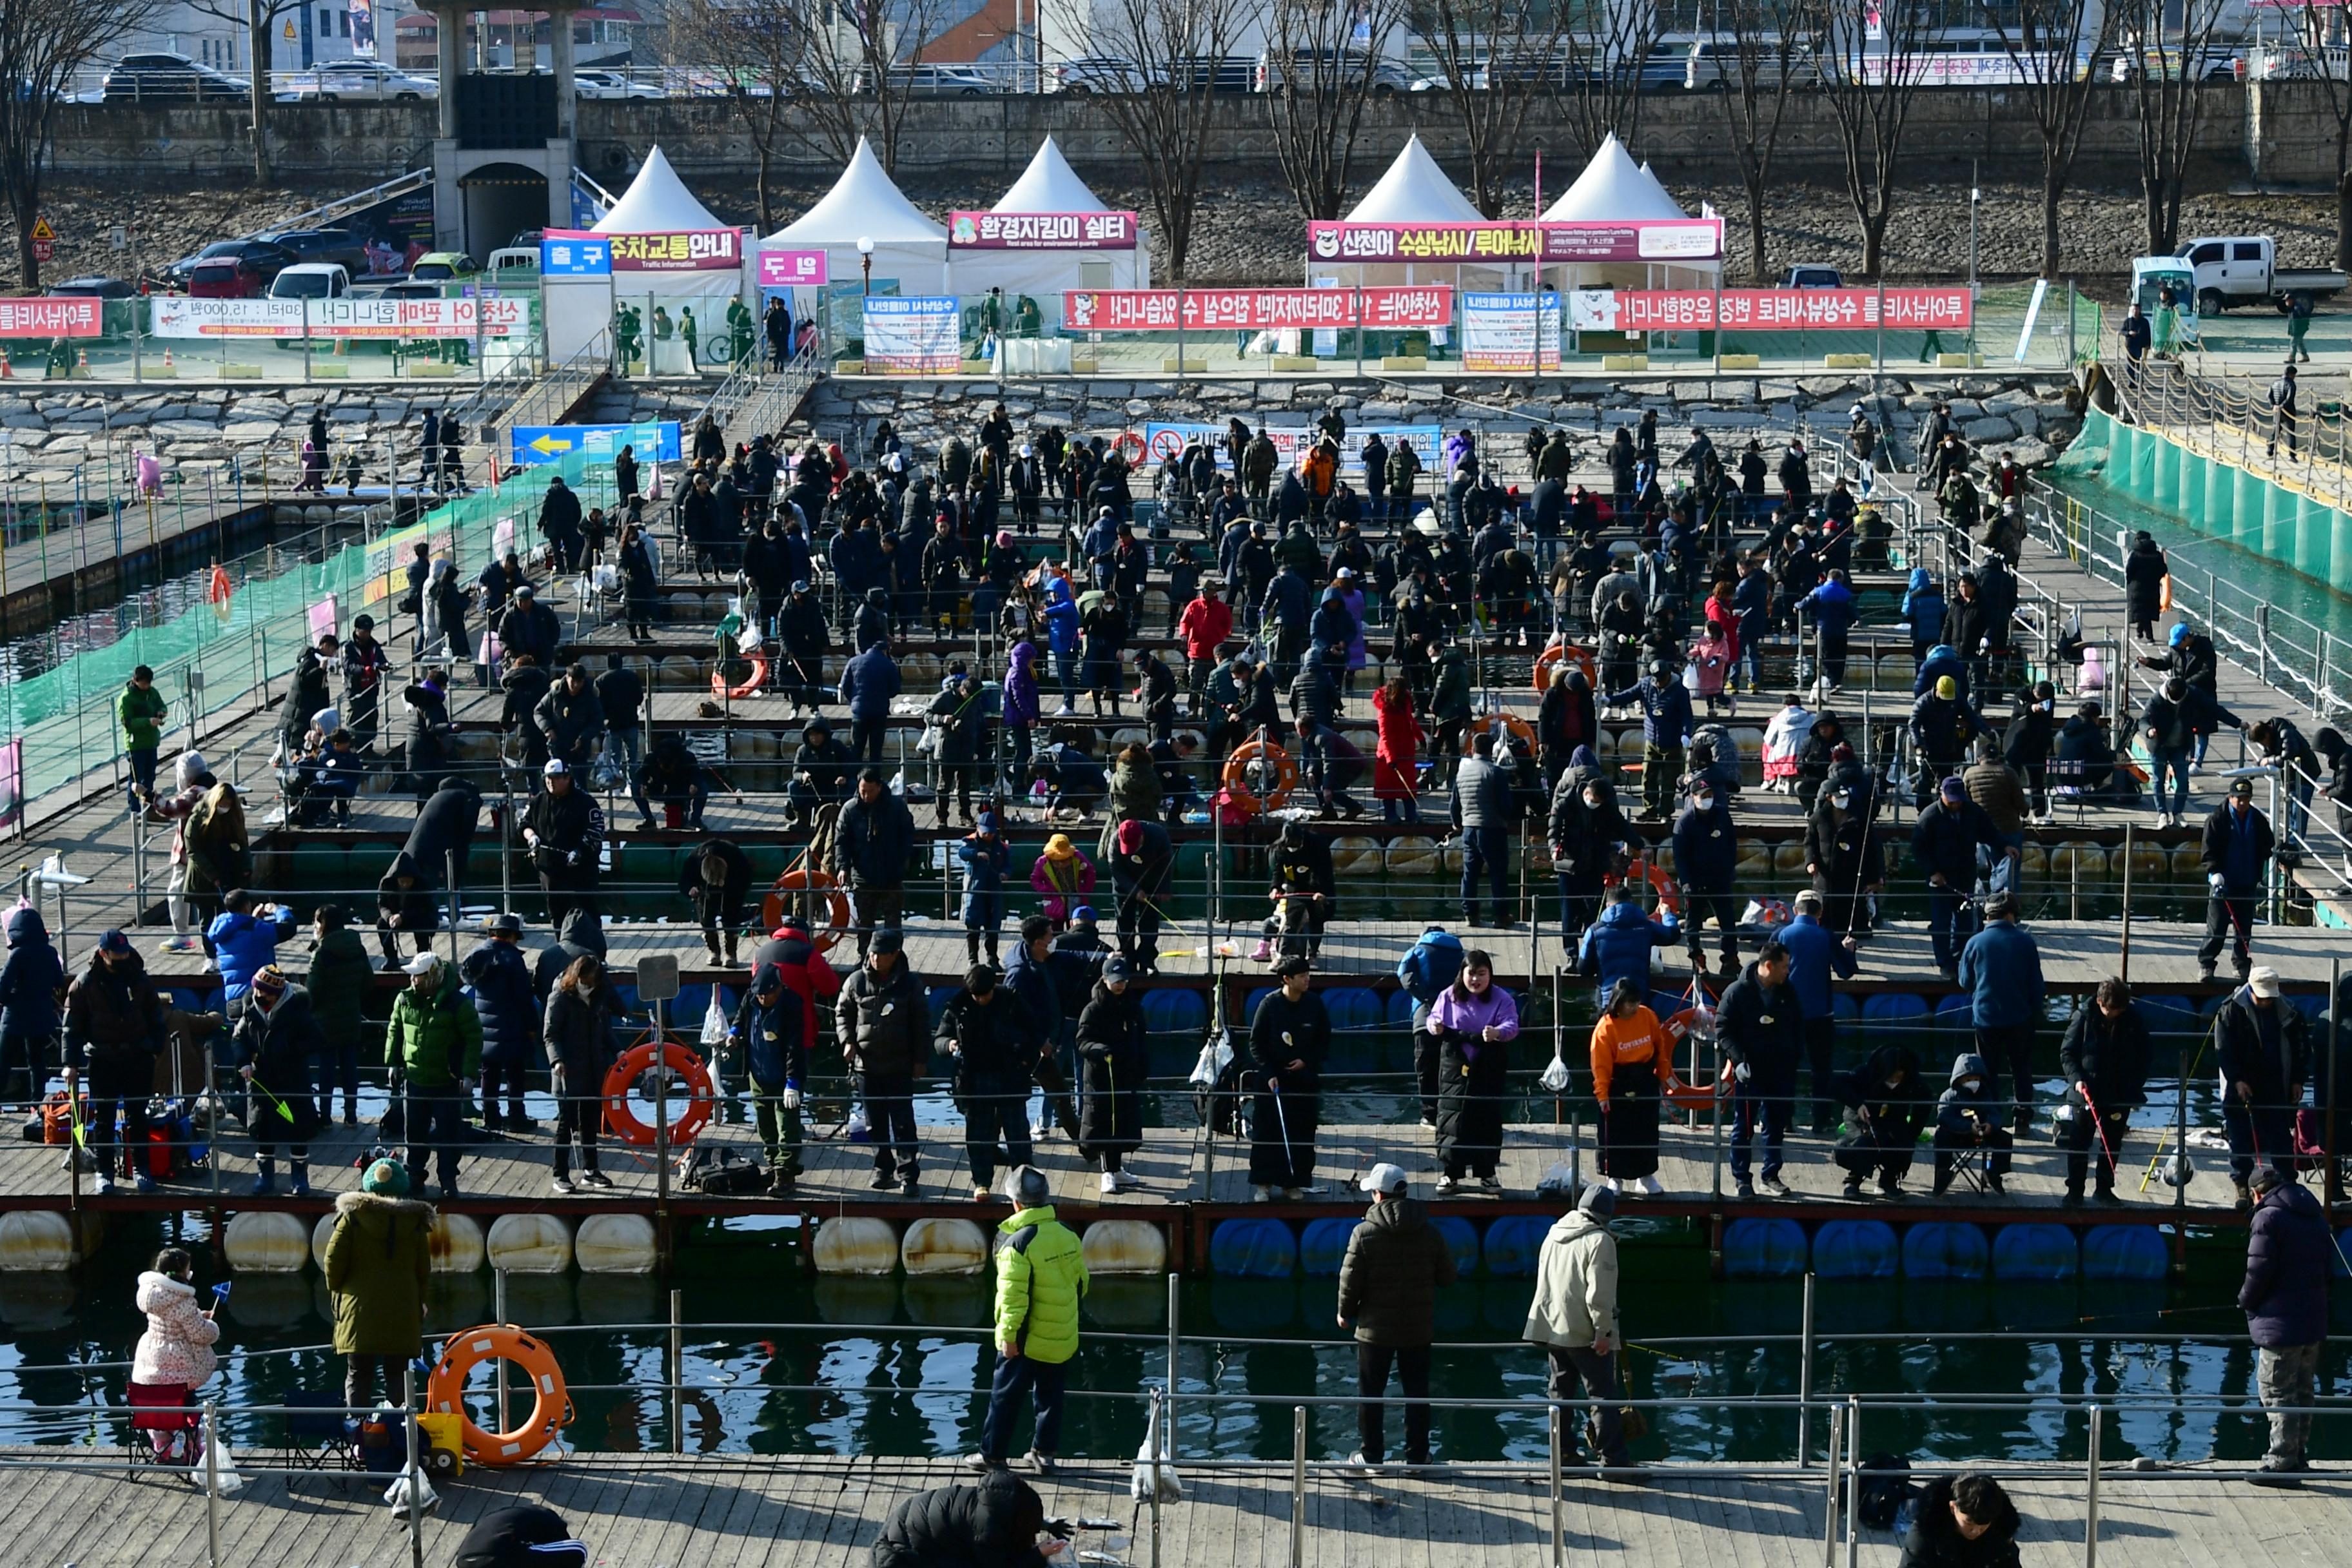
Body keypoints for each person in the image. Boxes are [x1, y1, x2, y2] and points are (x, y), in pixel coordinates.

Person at [1336, 1162, 1455, 1471]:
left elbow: (1350, 1279)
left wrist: (1344, 1314)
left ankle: (1372, 1456)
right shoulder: (1429, 1231)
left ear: (1378, 1195)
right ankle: (1418, 1457)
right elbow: (1448, 1277)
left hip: (1374, 1331)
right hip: (1417, 1329)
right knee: (1417, 1393)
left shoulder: (1363, 1233)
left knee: (1371, 1393)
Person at [971, 1164, 1090, 1473]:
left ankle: (992, 1456)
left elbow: (1012, 1299)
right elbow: (1082, 1283)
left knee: (1004, 1397)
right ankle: (1043, 1454)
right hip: (1061, 1333)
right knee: (1051, 1397)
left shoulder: (1017, 1244)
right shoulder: (1067, 1234)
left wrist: (1008, 1337)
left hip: (1025, 1339)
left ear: (1017, 1204)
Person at [1524, 1184, 1643, 1480]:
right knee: (1602, 1396)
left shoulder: (1555, 1232)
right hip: (1584, 1332)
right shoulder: (1600, 1241)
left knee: (1559, 1394)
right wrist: (1603, 1332)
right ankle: (1613, 1462)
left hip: (1552, 1327)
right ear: (1607, 1215)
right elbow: (1599, 1294)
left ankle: (1563, 1456)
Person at [2240, 1167, 2331, 1485]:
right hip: (2312, 1319)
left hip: (2280, 1323)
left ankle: (2281, 1461)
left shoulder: (2268, 1217)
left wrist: (2245, 1301)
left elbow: (2258, 1270)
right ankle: (2298, 1454)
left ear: (2257, 1193)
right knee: (2303, 1390)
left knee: (2276, 1391)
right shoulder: (2315, 1215)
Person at [325, 1157, 433, 1416]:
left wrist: (340, 1292)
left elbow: (333, 1262)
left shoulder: (352, 1219)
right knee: (397, 1376)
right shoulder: (416, 1223)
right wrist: (420, 1300)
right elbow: (423, 1270)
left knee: (359, 1374)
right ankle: (396, 1435)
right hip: (403, 1310)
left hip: (358, 1309)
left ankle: (360, 1437)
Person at [63, 930, 165, 1195]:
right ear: (103, 954)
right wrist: (70, 1063)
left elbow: (155, 1014)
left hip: (137, 1056)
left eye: (125, 952)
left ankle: (141, 1169)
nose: (122, 957)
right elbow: (71, 1027)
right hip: (102, 1058)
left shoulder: (140, 980)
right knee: (104, 1119)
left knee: (138, 1117)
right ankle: (104, 1172)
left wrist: (156, 1048)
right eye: (117, 953)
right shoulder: (85, 984)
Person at [384, 951, 482, 1202]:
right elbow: (394, 1031)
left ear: (433, 975)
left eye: (419, 975)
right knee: (414, 1134)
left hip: (447, 1082)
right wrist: (393, 1063)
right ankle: (414, 1178)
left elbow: (473, 1038)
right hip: (414, 1081)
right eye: (414, 975)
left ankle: (448, 1180)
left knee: (450, 1136)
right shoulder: (404, 1000)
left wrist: (468, 1075)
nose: (414, 980)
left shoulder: (457, 1004)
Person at [837, 930, 928, 1192]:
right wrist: (847, 1041)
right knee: (874, 1123)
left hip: (900, 1065)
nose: (875, 959)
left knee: (903, 1123)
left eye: (880, 954)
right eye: (872, 954)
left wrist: (920, 1059)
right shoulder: (855, 982)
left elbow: (922, 1024)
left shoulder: (911, 984)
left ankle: (908, 1174)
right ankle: (882, 1168)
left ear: (895, 955)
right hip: (867, 1066)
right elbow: (843, 1014)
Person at [939, 963, 1032, 1202]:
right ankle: (982, 1182)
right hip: (974, 1079)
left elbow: (1033, 1032)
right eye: (976, 996)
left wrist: (1024, 1061)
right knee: (978, 1135)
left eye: (985, 994)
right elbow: (939, 1038)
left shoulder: (1012, 1002)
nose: (980, 999)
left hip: (1010, 1076)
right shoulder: (957, 1007)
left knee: (1018, 1134)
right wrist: (948, 1044)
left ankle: (1024, 1184)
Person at [2217, 966, 2309, 1207]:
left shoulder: (2290, 1012)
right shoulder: (2230, 1011)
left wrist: (2298, 1079)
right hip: (2240, 1086)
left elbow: (2301, 1047)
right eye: (2262, 997)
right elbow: (2224, 1051)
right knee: (2240, 1138)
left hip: (2276, 1083)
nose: (2267, 1002)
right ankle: (2242, 1186)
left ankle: (2288, 1183)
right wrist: (2237, 1079)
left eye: (2270, 997)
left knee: (2281, 1137)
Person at [1429, 948, 1518, 1193]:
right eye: (1471, 974)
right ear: (1462, 973)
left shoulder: (1503, 998)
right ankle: (1451, 1174)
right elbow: (1433, 1019)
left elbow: (1512, 1025)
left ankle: (1487, 1174)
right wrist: (1434, 1027)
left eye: (1482, 974)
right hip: (1455, 1061)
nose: (1476, 980)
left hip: (1488, 1061)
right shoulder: (1448, 995)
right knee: (1451, 1117)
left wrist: (1498, 1032)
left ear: (1490, 975)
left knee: (1486, 1117)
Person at [1956, 891, 2044, 1136]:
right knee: (2022, 1069)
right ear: (2010, 915)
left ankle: (1989, 1118)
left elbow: (1965, 981)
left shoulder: (1974, 943)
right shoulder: (2026, 942)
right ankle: (2022, 1120)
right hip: (2020, 1018)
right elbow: (2037, 985)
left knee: (1987, 1072)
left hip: (1986, 1019)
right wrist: (2034, 1009)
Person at [1718, 941, 1801, 1200]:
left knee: (1776, 1125)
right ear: (1769, 966)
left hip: (1780, 1072)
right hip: (1749, 1072)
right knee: (1743, 1126)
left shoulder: (1788, 993)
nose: (1789, 971)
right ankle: (1742, 1178)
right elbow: (1723, 1028)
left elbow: (1798, 1027)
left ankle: (1771, 1175)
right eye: (1785, 966)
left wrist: (1793, 1060)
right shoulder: (1736, 993)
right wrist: (1738, 1060)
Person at [233, 965, 324, 1196]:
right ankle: (265, 1177)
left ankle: (299, 1178)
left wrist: (290, 1051)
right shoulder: (250, 1011)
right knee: (263, 1128)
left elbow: (318, 1040)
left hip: (292, 1080)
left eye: (264, 995)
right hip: (261, 1080)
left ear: (276, 994)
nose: (259, 998)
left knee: (297, 1128)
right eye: (257, 993)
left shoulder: (297, 1012)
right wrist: (243, 1061)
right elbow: (238, 1038)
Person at [1244, 955, 1329, 1200]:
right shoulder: (1269, 1005)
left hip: (1304, 1079)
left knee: (1302, 1132)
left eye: (1308, 975)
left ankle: (1294, 1183)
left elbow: (1324, 1039)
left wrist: (1307, 1061)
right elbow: (1256, 1043)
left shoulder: (1315, 1004)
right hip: (1273, 1081)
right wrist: (1269, 1072)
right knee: (1267, 1132)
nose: (1307, 980)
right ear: (1287, 979)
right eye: (1302, 977)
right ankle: (1263, 1183)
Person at [2057, 978, 2149, 1205]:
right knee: (2079, 1143)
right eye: (2110, 1010)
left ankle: (2104, 1188)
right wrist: (2077, 1080)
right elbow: (2067, 1053)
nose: (2114, 1015)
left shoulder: (2133, 1020)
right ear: (2099, 1001)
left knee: (2112, 1143)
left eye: (2119, 1010)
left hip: (2119, 1094)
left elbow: (2145, 1056)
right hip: (2086, 1092)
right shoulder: (2083, 1018)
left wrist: (2135, 1086)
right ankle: (2075, 1191)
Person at [1590, 977, 1680, 1196]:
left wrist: (1664, 1074)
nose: (1633, 1007)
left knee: (1647, 1131)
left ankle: (1646, 1176)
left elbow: (1660, 1046)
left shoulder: (1647, 1016)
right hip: (1617, 1083)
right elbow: (1600, 1066)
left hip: (1645, 1080)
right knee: (1615, 1134)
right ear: (1618, 1002)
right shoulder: (1606, 1028)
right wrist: (1602, 1096)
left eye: (1636, 1002)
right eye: (1629, 1003)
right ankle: (1615, 1178)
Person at [543, 952, 622, 1193]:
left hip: (593, 1069)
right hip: (567, 1072)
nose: (591, 984)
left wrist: (618, 1051)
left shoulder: (598, 998)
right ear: (578, 976)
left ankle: (591, 1170)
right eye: (587, 979)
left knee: (589, 1122)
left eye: (594, 980)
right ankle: (560, 1174)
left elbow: (605, 1030)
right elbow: (550, 1035)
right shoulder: (559, 997)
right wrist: (556, 1061)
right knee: (565, 1125)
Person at [874, 1467, 1064, 1568]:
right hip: (900, 1553)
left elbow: (1014, 1514)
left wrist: (1043, 1524)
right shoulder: (987, 1530)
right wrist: (1038, 1555)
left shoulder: (992, 1498)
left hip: (904, 1523)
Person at [132, 1246, 219, 1462]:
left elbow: (170, 1321)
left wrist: (197, 1315)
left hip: (151, 1359)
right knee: (184, 1403)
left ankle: (162, 1443)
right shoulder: (183, 1301)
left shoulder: (151, 1294)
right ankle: (188, 1446)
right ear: (182, 1271)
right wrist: (211, 1325)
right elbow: (199, 1334)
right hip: (178, 1365)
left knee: (159, 1405)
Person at [727, 962, 807, 1195]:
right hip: (758, 1073)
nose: (762, 999)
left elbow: (795, 1047)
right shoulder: (751, 997)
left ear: (779, 988)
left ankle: (786, 1172)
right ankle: (773, 1165)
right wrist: (734, 1033)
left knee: (787, 1126)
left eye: (767, 995)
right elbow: (741, 1018)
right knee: (765, 1124)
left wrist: (793, 1082)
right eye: (759, 995)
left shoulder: (792, 1005)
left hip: (784, 1077)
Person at [1075, 956, 1146, 1192]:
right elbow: (1082, 1042)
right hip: (1101, 1076)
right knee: (1104, 1122)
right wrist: (1100, 1050)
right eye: (1115, 981)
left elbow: (1142, 1039)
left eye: (1123, 980)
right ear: (1104, 979)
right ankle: (1107, 1171)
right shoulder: (1093, 1009)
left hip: (1126, 1073)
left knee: (1124, 1121)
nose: (1120, 985)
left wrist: (1143, 1065)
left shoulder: (1133, 1007)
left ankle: (1117, 1169)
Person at [834, 769, 916, 957]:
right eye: (862, 791)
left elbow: (908, 836)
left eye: (869, 791)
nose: (865, 795)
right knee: (865, 924)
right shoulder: (850, 809)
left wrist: (903, 862)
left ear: (879, 787)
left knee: (894, 923)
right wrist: (843, 867)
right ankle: (864, 959)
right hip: (863, 877)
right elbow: (841, 842)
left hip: (891, 875)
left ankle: (895, 958)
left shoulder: (896, 807)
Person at [2199, 778, 2273, 982]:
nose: (2242, 802)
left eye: (2246, 798)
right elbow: (2208, 849)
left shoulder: (2257, 819)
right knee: (2216, 928)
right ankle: (2206, 964)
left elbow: (2268, 843)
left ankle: (2241, 965)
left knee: (2244, 928)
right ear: (2230, 798)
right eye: (2238, 798)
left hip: (2247, 882)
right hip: (2223, 883)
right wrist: (2214, 871)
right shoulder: (2217, 819)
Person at [1396, 925, 1465, 1128]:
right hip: (1456, 1017)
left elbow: (1405, 975)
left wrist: (1424, 996)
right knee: (1453, 1067)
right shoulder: (1460, 952)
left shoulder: (1417, 950)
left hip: (1424, 1016)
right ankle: (1453, 1112)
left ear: (1424, 935)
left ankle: (1430, 1115)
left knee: (1426, 1067)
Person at [522, 759, 605, 930]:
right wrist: (532, 837)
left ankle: (595, 953)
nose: (551, 781)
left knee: (588, 913)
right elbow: (524, 823)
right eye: (548, 778)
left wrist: (580, 851)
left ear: (568, 778)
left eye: (557, 777)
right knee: (556, 914)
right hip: (549, 870)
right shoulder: (538, 801)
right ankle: (562, 951)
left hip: (581, 870)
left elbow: (596, 830)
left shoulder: (586, 802)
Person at [1672, 776, 1740, 978]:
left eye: (1710, 795)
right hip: (1695, 882)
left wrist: (1729, 870)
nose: (1707, 798)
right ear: (1693, 797)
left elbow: (1731, 844)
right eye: (1703, 796)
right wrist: (1686, 883)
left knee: (1728, 921)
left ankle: (1730, 959)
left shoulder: (1722, 815)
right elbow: (1680, 858)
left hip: (1720, 879)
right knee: (1693, 923)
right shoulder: (1684, 824)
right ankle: (1697, 958)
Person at [0, 903, 64, 1110]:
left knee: (4, 1062)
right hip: (40, 1015)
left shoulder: (17, 955)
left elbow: (3, 986)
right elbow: (58, 981)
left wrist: (10, 1001)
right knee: (37, 1063)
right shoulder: (50, 952)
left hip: (14, 1018)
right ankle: (36, 1104)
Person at [1451, 729, 1516, 926]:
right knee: (1498, 874)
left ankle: (1471, 914)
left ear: (1473, 749)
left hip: (1469, 829)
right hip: (1492, 828)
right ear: (1491, 751)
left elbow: (1454, 804)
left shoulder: (1462, 773)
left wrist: (1457, 823)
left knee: (1470, 874)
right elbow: (1505, 806)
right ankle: (1501, 916)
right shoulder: (1495, 772)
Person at [1577, 882, 1679, 1003]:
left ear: (1607, 905)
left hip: (1608, 997)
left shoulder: (1594, 931)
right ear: (1631, 901)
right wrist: (1667, 914)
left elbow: (1583, 968)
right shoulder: (1646, 927)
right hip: (1638, 996)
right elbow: (1673, 934)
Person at [1896, 1473, 2021, 1568]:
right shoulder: (1924, 1536)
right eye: (1969, 1522)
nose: (1975, 1531)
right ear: (1953, 1507)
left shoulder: (2001, 1536)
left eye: (1983, 1526)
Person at [118, 665, 168, 814]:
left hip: (151, 742)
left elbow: (162, 705)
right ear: (135, 680)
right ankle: (135, 811)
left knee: (150, 777)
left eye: (149, 683)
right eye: (144, 683)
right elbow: (128, 723)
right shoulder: (126, 699)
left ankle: (149, 808)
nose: (147, 686)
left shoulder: (152, 692)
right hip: (136, 745)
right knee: (136, 779)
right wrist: (147, 721)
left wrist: (161, 713)